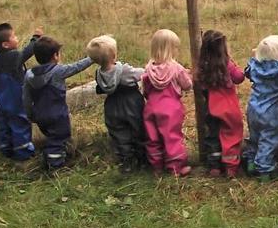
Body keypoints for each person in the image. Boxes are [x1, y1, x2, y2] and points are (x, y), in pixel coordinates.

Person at [23, 36, 93, 170]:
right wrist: (92, 58)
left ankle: (53, 155)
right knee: (58, 139)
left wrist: (30, 114)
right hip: (58, 116)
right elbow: (76, 67)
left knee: (52, 137)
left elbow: (25, 97)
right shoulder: (57, 71)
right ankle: (55, 165)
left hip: (40, 115)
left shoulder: (29, 74)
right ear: (55, 56)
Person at [86, 35, 146, 173]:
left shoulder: (99, 73)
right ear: (114, 54)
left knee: (119, 133)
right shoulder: (124, 70)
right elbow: (141, 74)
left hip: (112, 106)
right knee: (138, 129)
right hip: (131, 103)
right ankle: (142, 159)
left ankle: (127, 161)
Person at [141, 29, 193, 177]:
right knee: (172, 137)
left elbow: (145, 89)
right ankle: (175, 168)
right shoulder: (176, 68)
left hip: (151, 107)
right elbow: (187, 85)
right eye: (176, 47)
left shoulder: (148, 68)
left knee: (153, 138)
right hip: (171, 109)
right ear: (171, 49)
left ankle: (156, 166)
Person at [195, 30, 246, 178]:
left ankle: (214, 167)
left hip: (210, 107)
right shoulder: (227, 65)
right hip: (228, 107)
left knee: (213, 136)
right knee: (231, 135)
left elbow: (199, 80)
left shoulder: (203, 66)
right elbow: (239, 78)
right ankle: (231, 167)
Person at [0, 23, 42, 160]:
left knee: (4, 124)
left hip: (1, 99)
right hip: (16, 99)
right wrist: (36, 38)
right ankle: (24, 154)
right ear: (5, 44)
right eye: (14, 36)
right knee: (20, 124)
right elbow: (28, 51)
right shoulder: (13, 57)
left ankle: (5, 148)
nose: (17, 38)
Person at [243, 35, 278, 181]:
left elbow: (247, 71)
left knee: (254, 137)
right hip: (271, 112)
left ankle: (250, 162)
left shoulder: (254, 67)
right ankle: (264, 170)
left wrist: (256, 56)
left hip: (253, 108)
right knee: (269, 141)